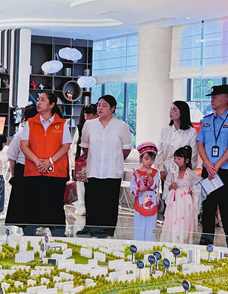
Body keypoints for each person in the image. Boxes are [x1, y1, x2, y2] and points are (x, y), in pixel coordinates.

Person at [196, 84, 228, 247]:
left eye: (215, 97)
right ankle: (205, 244)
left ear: (225, 99)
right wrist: (207, 163)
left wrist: (216, 165)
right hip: (208, 171)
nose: (212, 100)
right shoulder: (207, 120)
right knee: (208, 210)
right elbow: (200, 143)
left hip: (225, 172)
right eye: (211, 97)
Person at [18, 91, 72, 236]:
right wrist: (37, 161)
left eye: (43, 100)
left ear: (52, 104)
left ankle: (58, 235)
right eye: (38, 100)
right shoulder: (30, 123)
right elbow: (24, 146)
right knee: (32, 204)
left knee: (55, 204)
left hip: (56, 172)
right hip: (33, 171)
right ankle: (29, 235)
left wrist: (49, 161)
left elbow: (65, 146)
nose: (38, 103)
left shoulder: (62, 124)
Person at [81, 95, 132, 237]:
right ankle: (90, 228)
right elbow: (85, 146)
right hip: (93, 169)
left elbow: (126, 148)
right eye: (99, 105)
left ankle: (107, 230)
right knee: (92, 200)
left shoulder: (121, 125)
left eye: (104, 105)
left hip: (112, 171)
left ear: (113, 108)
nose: (100, 108)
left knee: (109, 202)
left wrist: (115, 160)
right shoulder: (89, 125)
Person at [161, 145, 200, 244]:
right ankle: (171, 243)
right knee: (172, 220)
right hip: (174, 203)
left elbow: (199, 186)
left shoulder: (190, 174)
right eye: (175, 158)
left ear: (186, 161)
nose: (176, 161)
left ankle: (182, 243)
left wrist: (192, 190)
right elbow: (166, 185)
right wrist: (171, 186)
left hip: (185, 203)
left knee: (184, 222)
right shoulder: (172, 173)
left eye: (179, 159)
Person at [5, 105, 35, 227]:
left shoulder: (21, 133)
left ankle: (27, 226)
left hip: (23, 169)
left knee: (23, 202)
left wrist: (13, 173)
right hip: (28, 169)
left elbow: (12, 155)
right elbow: (12, 155)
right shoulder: (24, 133)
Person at [69, 103, 98, 217]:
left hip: (95, 160)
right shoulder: (80, 127)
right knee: (80, 184)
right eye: (85, 115)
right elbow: (75, 143)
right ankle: (81, 207)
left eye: (89, 115)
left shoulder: (99, 127)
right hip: (81, 160)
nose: (87, 118)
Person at [131, 142, 160, 241]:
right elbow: (132, 188)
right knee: (139, 226)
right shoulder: (136, 173)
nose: (149, 162)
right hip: (140, 201)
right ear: (141, 158)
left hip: (151, 201)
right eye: (146, 159)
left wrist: (150, 177)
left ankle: (149, 245)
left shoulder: (155, 172)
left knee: (150, 227)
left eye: (152, 159)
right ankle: (138, 245)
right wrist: (139, 189)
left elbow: (155, 186)